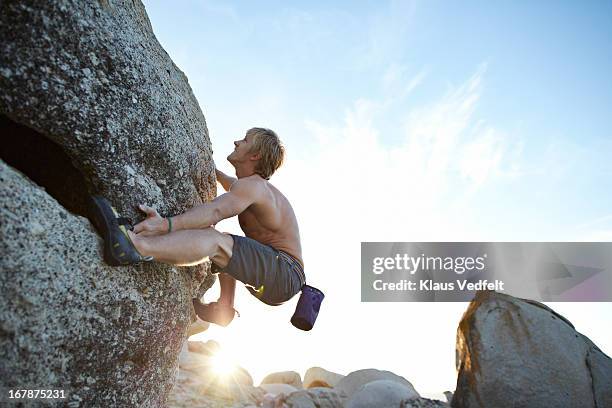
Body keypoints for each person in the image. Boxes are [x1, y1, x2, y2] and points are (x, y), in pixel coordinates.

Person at [89, 128, 305, 327]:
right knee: (230, 244)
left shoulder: (254, 187)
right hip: (281, 279)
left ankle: (134, 247)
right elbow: (230, 183)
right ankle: (225, 307)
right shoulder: (254, 187)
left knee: (217, 241)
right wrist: (214, 170)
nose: (237, 141)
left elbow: (215, 211)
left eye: (245, 140)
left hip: (286, 273)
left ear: (255, 155)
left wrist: (165, 224)